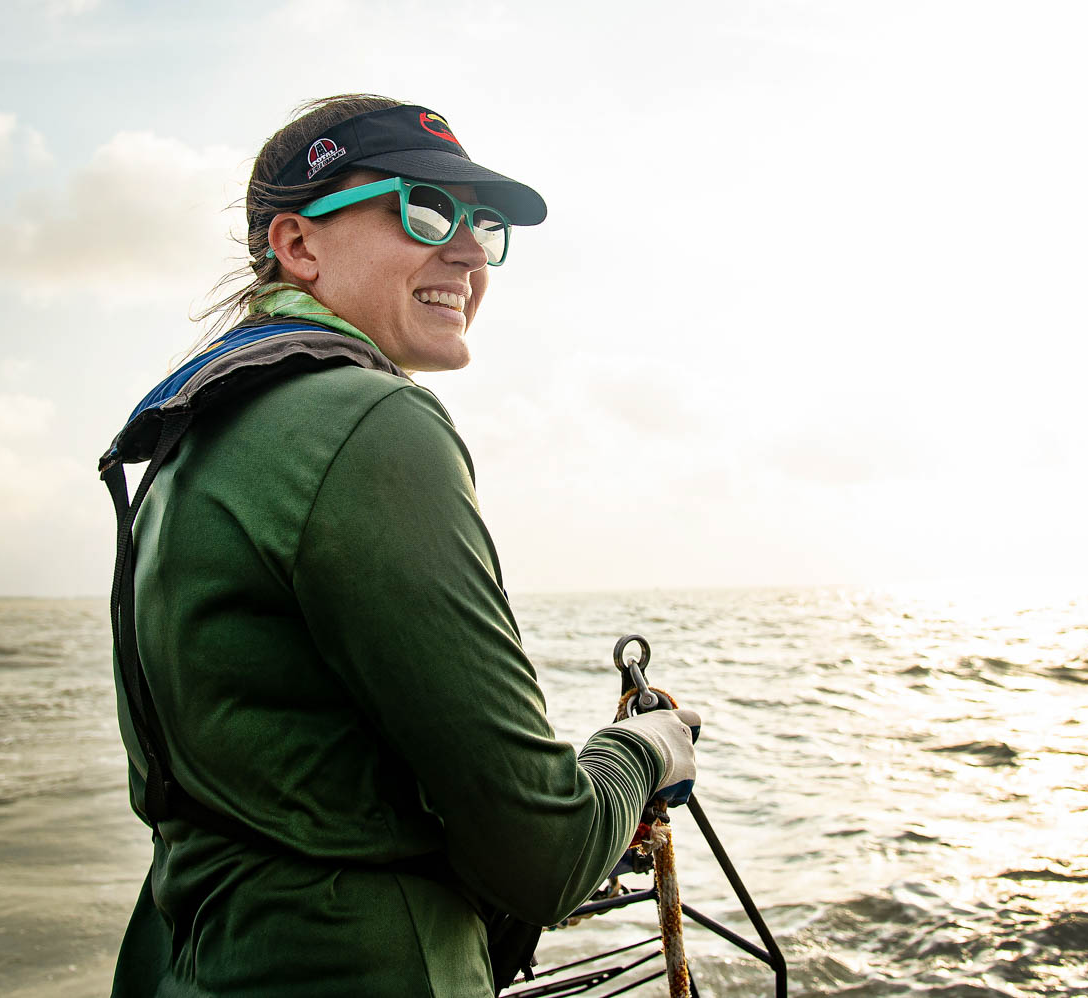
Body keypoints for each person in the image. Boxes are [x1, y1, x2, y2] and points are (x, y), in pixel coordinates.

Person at [104, 94, 701, 997]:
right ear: (299, 245)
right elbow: (543, 853)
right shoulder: (370, 421)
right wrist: (645, 749)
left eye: (486, 224)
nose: (467, 250)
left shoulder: (192, 441)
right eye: (425, 209)